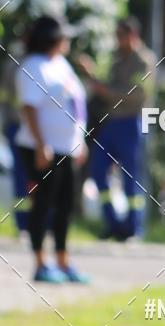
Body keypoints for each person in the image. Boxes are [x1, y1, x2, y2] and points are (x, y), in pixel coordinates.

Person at [15, 16, 89, 283]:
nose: (68, 40)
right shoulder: (33, 66)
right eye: (64, 36)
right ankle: (40, 263)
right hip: (43, 148)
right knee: (43, 205)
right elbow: (29, 108)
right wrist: (40, 144)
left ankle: (63, 261)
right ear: (53, 38)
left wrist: (79, 141)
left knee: (65, 206)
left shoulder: (61, 64)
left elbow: (76, 105)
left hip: (67, 148)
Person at [79, 17, 155, 241]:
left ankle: (133, 228)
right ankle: (113, 223)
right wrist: (92, 75)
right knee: (97, 170)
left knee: (131, 177)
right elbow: (105, 85)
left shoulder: (144, 60)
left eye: (121, 35)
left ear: (132, 35)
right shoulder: (116, 57)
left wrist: (105, 90)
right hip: (111, 122)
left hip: (132, 122)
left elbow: (139, 93)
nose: (117, 40)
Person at [0, 35, 30, 237]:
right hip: (19, 126)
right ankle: (24, 226)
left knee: (32, 176)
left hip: (21, 127)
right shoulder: (14, 66)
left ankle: (35, 225)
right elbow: (5, 99)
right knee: (22, 175)